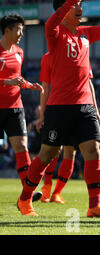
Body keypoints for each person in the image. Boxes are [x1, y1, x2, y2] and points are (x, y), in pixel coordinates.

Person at [17, 0, 100, 218]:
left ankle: (94, 205)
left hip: (85, 106)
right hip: (59, 107)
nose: (81, 9)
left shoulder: (84, 35)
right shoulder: (55, 34)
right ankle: (25, 199)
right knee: (47, 155)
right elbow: (49, 24)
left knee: (93, 151)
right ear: (64, 10)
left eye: (81, 5)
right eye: (77, 6)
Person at [35, 50, 98, 204]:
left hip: (77, 109)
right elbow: (45, 87)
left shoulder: (81, 53)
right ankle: (46, 190)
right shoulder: (49, 57)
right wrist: (43, 114)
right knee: (53, 152)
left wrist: (95, 108)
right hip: (57, 109)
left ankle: (55, 193)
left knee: (69, 153)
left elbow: (88, 82)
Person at [0, 14, 43, 202]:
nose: (21, 34)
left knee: (22, 147)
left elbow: (17, 78)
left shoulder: (19, 52)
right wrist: (8, 81)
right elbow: (10, 80)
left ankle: (28, 191)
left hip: (15, 107)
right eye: (18, 29)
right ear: (7, 29)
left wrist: (29, 85)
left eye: (22, 30)